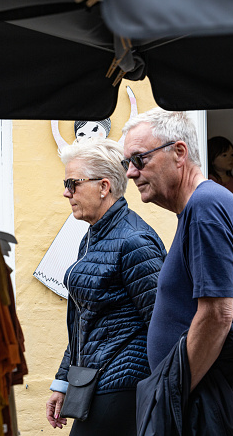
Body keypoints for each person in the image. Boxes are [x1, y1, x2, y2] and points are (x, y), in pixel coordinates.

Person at [122, 109, 233, 436]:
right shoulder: (203, 207)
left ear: (179, 153)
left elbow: (218, 314)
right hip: (214, 407)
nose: (132, 173)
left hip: (219, 412)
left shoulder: (205, 208)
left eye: (139, 159)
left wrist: (170, 396)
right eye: (127, 163)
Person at [46, 137, 166, 436]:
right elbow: (83, 320)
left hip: (124, 387)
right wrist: (64, 382)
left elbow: (162, 322)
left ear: (103, 186)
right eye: (66, 183)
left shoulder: (134, 240)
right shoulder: (92, 236)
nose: (66, 192)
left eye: (73, 183)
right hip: (93, 383)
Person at [207, 135, 233, 205]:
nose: (230, 159)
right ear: (212, 158)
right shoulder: (207, 180)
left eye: (232, 155)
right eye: (224, 155)